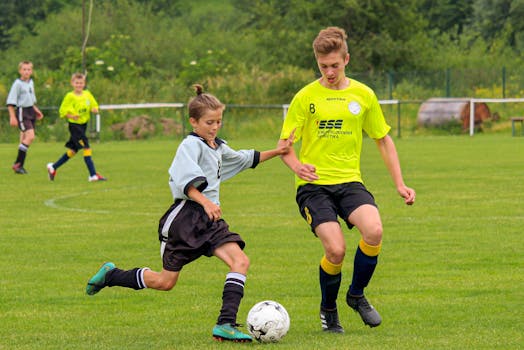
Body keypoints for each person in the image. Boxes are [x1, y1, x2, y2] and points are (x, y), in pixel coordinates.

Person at [85, 84, 294, 342]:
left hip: (211, 220)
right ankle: (112, 274)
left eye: (218, 121)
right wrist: (205, 202)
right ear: (193, 122)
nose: (215, 127)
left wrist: (279, 151)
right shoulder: (189, 145)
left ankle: (225, 324)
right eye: (209, 122)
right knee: (165, 282)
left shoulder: (217, 146)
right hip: (185, 219)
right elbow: (182, 178)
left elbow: (243, 159)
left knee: (241, 262)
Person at [277, 26, 416, 333]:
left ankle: (356, 295)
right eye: (323, 66)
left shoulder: (363, 95)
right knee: (336, 250)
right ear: (317, 62)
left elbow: (383, 140)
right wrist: (297, 166)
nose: (329, 71)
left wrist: (400, 184)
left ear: (346, 59)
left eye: (335, 65)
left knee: (374, 230)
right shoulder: (305, 97)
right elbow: (284, 147)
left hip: (350, 182)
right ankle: (329, 309)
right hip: (313, 187)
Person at [46, 73, 106, 182]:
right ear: (72, 83)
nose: (79, 85)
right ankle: (93, 175)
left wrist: (95, 109)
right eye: (77, 83)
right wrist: (72, 116)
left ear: (84, 83)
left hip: (83, 125)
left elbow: (94, 105)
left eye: (81, 83)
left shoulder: (87, 94)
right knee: (87, 147)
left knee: (73, 151)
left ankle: (53, 167)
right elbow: (62, 111)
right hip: (74, 126)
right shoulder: (70, 96)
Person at [6, 61, 44, 174]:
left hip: (31, 111)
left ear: (31, 71)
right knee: (30, 136)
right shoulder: (17, 84)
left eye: (28, 69)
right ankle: (18, 164)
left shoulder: (30, 82)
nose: (26, 71)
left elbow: (31, 100)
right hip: (22, 112)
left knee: (24, 139)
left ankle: (19, 166)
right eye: (24, 69)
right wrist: (12, 117)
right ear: (20, 71)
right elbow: (10, 102)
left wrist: (36, 111)